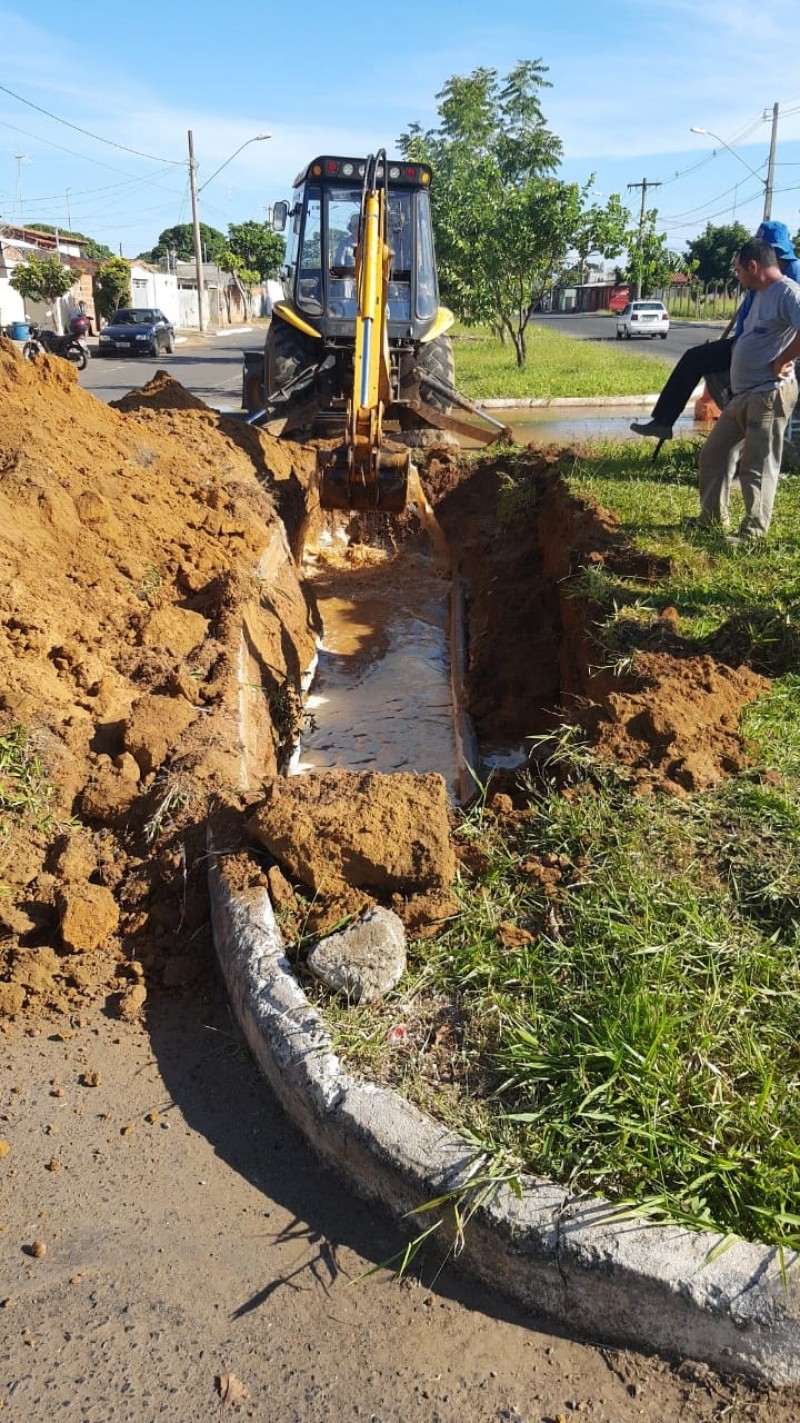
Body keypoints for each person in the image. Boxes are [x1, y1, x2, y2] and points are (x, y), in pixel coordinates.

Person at [631, 220, 800, 442]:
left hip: (772, 350)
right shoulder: (755, 272)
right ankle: (663, 421)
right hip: (745, 343)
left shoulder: (791, 277)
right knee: (695, 358)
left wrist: (783, 358)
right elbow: (748, 317)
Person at [692, 238, 800, 542]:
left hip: (768, 394)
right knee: (714, 454)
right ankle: (712, 519)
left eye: (739, 271)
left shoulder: (787, 292)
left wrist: (783, 359)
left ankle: (753, 533)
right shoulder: (760, 295)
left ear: (753, 266)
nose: (738, 277)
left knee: (757, 465)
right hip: (744, 395)